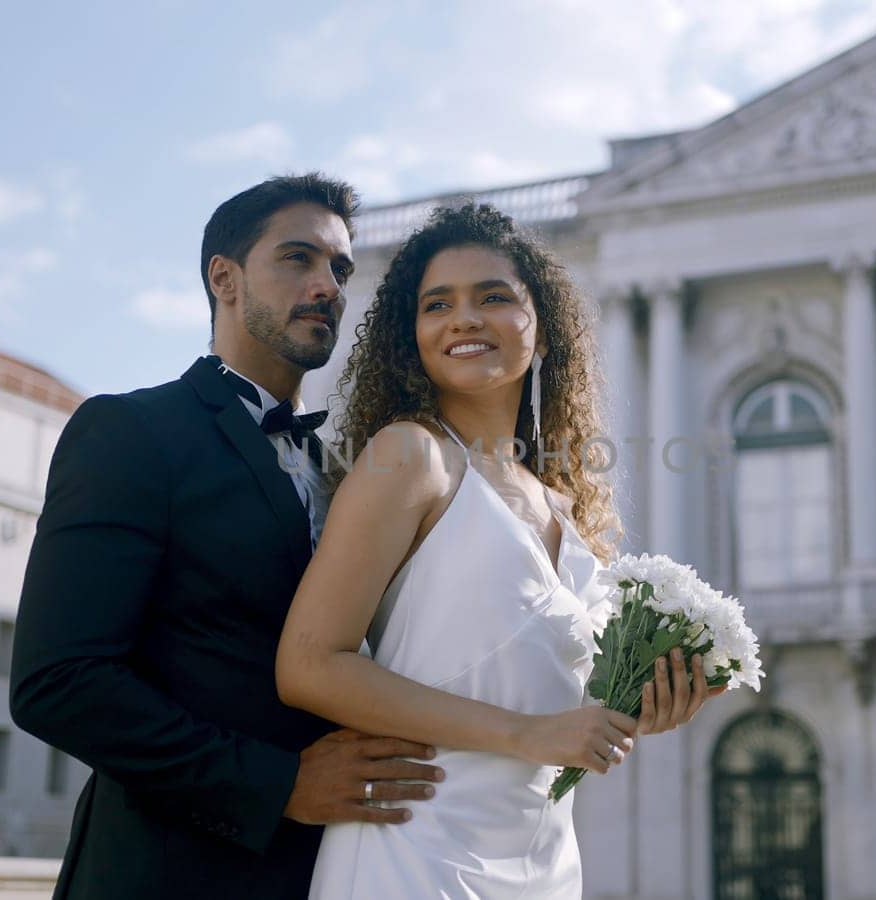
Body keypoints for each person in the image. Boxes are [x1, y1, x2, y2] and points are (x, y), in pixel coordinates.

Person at [10, 175, 444, 899]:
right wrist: (278, 786)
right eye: (298, 258)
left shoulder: (346, 474)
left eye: (340, 268)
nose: (328, 285)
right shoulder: (131, 431)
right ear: (226, 278)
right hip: (164, 873)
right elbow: (57, 683)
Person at [275, 203, 718, 899]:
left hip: (543, 860)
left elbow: (554, 699)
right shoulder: (408, 457)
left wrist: (649, 699)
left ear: (543, 332)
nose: (464, 319)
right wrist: (526, 735)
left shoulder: (564, 504)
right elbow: (307, 666)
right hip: (414, 852)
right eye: (437, 304)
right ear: (411, 336)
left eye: (494, 297)